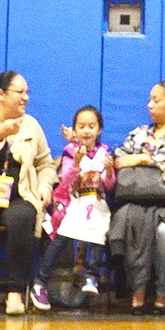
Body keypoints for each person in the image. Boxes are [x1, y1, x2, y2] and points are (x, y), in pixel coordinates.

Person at [109, 76, 165, 314]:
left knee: (162, 231)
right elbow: (119, 159)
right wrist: (153, 164)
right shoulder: (138, 133)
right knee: (131, 222)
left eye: (156, 100)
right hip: (136, 200)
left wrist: (142, 159)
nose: (149, 105)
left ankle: (162, 292)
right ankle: (137, 291)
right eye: (149, 100)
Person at [0, 71, 56, 315]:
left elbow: (45, 164)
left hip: (19, 195)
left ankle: (15, 292)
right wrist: (0, 133)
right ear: (1, 95)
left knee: (23, 218)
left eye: (27, 93)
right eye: (19, 92)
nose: (25, 98)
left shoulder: (31, 125)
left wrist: (45, 186)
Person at [30, 104, 116, 310]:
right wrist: (77, 163)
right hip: (73, 205)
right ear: (75, 130)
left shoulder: (105, 154)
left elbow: (109, 185)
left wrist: (111, 171)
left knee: (99, 230)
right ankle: (40, 282)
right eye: (81, 126)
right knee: (59, 241)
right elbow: (66, 181)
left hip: (97, 205)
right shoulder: (70, 152)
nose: (86, 130)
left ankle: (91, 276)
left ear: (99, 129)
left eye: (91, 126)